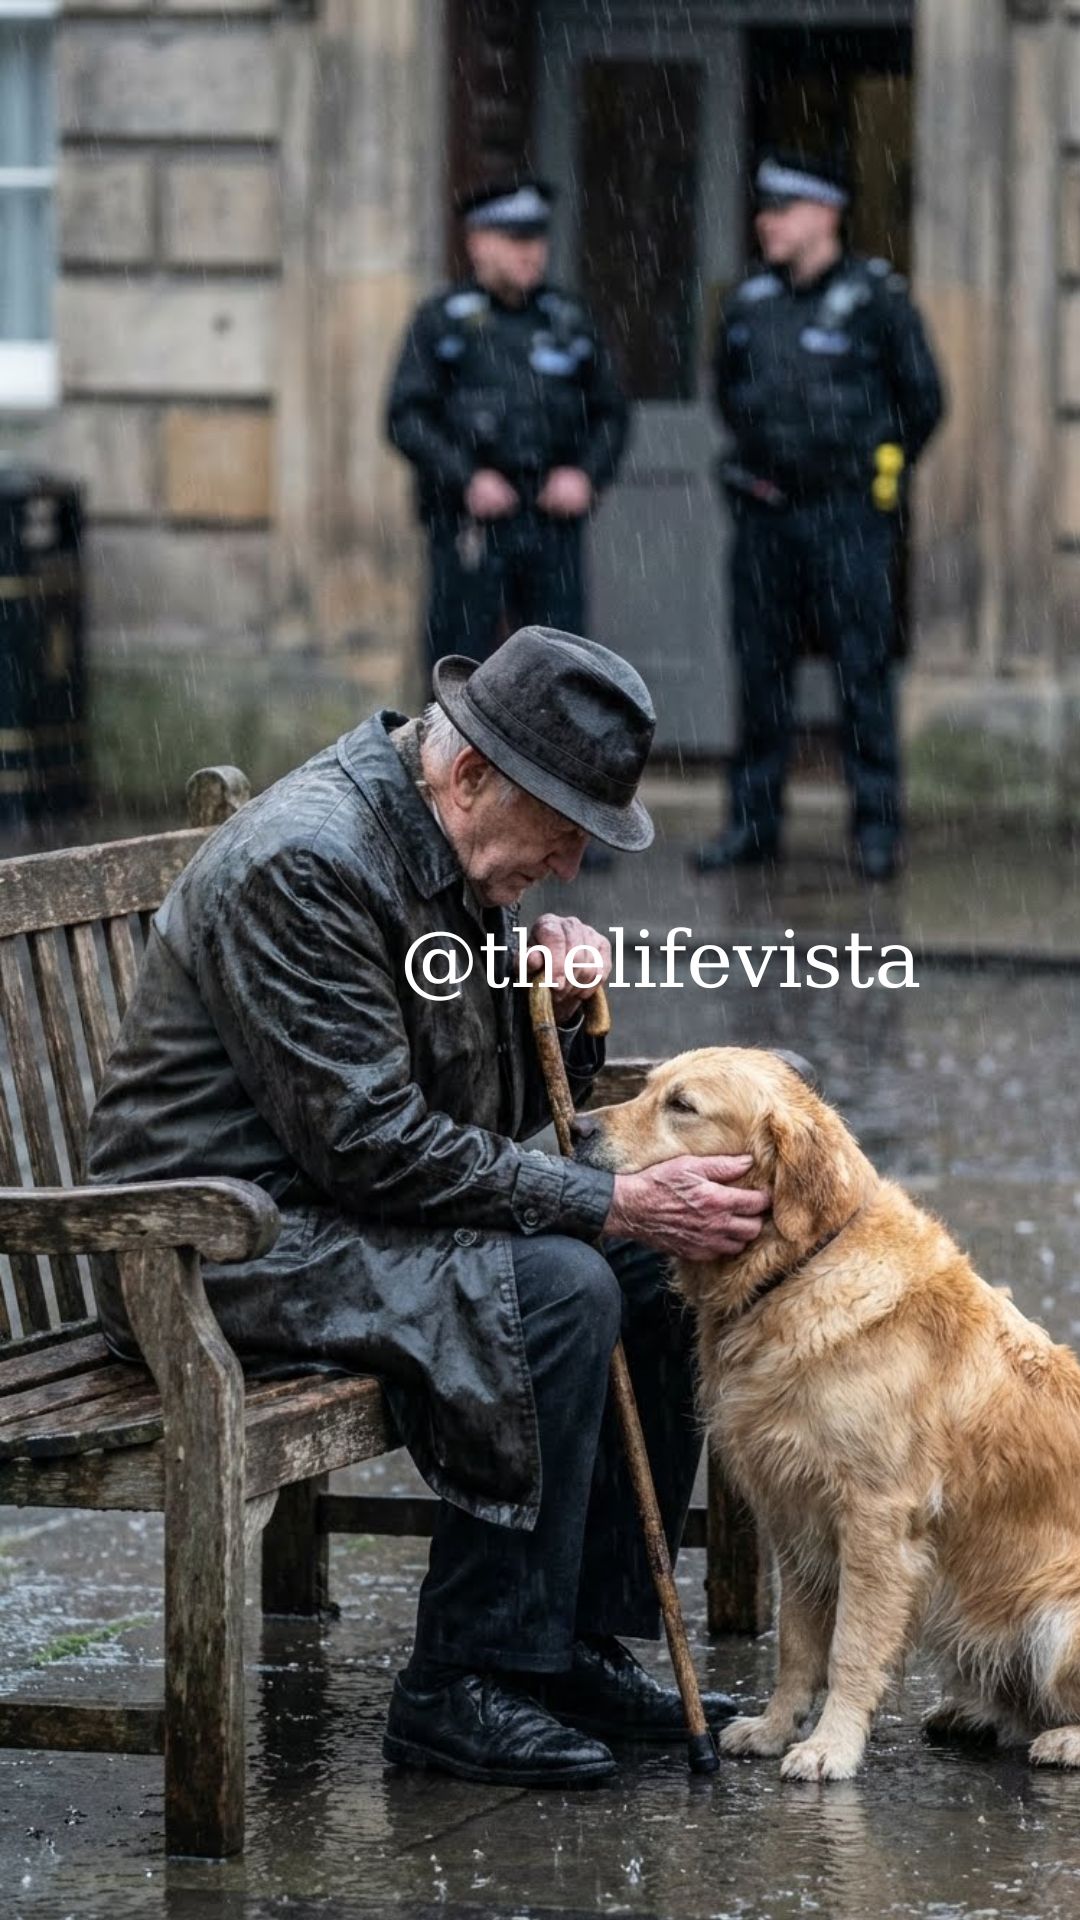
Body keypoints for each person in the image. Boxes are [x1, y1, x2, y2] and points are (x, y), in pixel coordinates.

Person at [85, 625, 770, 1789]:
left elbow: (461, 1105)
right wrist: (610, 1201)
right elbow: (374, 1147)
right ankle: (462, 1681)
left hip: (330, 1213)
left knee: (653, 1271)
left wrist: (548, 1010)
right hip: (210, 1245)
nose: (568, 868)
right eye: (564, 832)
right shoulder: (306, 863)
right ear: (472, 776)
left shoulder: (441, 844)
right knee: (562, 1286)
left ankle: (568, 1645)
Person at [692, 150, 945, 884]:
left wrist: (872, 471)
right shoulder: (750, 301)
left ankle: (875, 828)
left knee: (861, 672)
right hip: (766, 515)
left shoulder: (877, 300)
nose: (766, 223)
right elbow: (728, 392)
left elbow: (922, 400)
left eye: (783, 210)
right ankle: (752, 824)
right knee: (760, 671)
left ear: (826, 214)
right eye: (764, 210)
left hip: (846, 517)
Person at [385, 179, 629, 672]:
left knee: (560, 665)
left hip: (550, 519)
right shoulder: (442, 321)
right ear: (478, 242)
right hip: (469, 524)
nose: (531, 253)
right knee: (458, 662)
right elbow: (406, 417)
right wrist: (466, 477)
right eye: (516, 240)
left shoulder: (567, 319)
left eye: (537, 239)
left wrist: (585, 474)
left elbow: (610, 412)